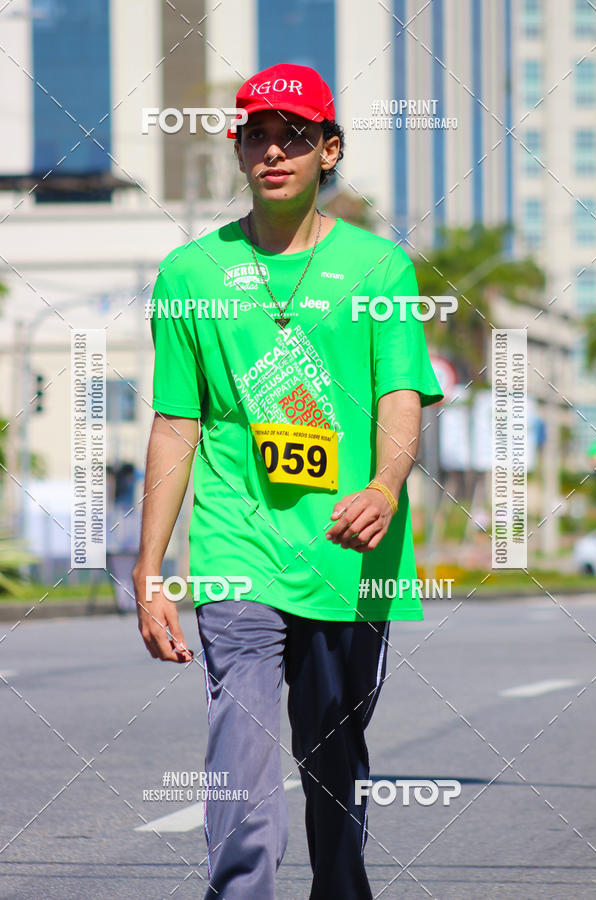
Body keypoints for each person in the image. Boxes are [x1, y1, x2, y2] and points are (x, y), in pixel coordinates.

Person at [133, 62, 443, 900]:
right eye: (258, 134)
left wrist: (381, 487)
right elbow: (175, 424)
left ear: (327, 150)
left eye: (295, 135)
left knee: (332, 755)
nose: (274, 149)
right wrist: (150, 568)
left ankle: (340, 888)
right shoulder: (192, 274)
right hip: (239, 548)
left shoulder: (380, 270)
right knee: (241, 744)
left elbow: (399, 394)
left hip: (351, 554)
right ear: (238, 148)